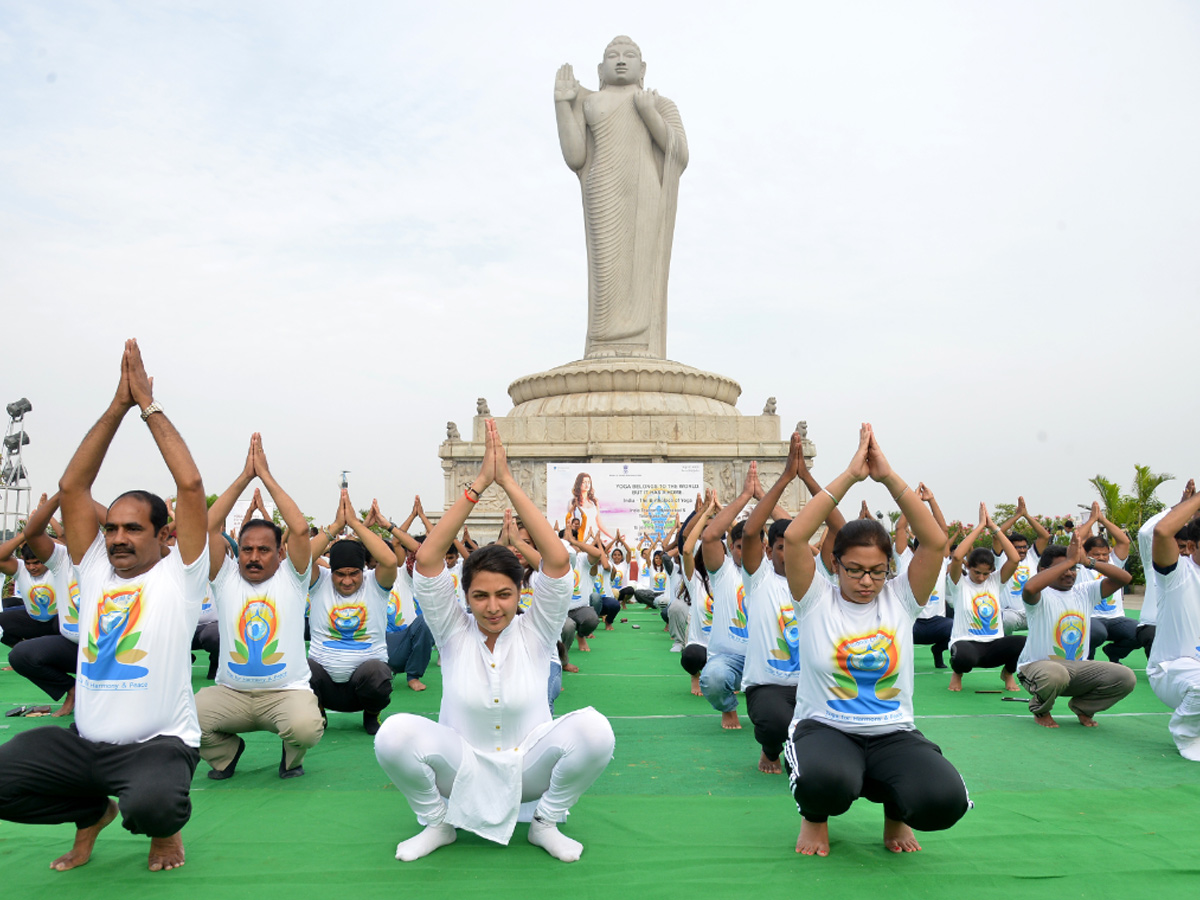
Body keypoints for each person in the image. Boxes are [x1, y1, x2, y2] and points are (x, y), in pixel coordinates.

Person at [0, 340, 208, 872]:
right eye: (110, 527)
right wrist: (116, 406)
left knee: (153, 803)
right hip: (85, 744)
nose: (117, 538)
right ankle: (93, 812)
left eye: (132, 529)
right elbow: (74, 484)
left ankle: (164, 835)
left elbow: (190, 484)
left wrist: (148, 407)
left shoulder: (178, 577)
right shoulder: (92, 569)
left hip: (157, 746)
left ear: (163, 536)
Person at [374, 420, 614, 862]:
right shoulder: (451, 631)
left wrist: (508, 483)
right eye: (480, 595)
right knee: (392, 735)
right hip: (460, 768)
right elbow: (426, 560)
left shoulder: (537, 630)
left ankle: (546, 821)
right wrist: (479, 484)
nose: (492, 606)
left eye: (504, 594)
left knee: (596, 731)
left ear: (521, 593)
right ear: (464, 596)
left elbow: (559, 561)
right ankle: (438, 822)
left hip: (529, 769)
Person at [782, 424, 968, 857]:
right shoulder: (814, 600)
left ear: (890, 567)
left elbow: (937, 541)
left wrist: (887, 476)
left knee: (944, 801)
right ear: (835, 564)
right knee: (828, 781)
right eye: (854, 570)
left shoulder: (901, 600)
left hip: (892, 733)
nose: (867, 581)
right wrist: (850, 474)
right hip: (825, 729)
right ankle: (815, 816)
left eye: (877, 570)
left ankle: (895, 811)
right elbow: (794, 536)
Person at [196, 434, 325, 780]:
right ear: (237, 550)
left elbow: (298, 529)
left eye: (263, 550)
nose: (253, 557)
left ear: (279, 553)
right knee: (186, 720)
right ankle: (225, 754)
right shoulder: (224, 578)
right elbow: (207, 525)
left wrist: (265, 476)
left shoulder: (292, 579)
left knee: (306, 727)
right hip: (231, 695)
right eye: (247, 549)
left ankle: (291, 756)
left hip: (285, 695)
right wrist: (244, 477)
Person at [554, 37, 687, 359]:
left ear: (643, 68)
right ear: (601, 68)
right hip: (602, 186)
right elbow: (576, 157)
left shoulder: (659, 103)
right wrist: (562, 104)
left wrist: (648, 112)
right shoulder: (589, 102)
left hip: (644, 190)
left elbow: (678, 153)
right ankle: (604, 339)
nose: (621, 60)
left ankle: (642, 340)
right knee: (606, 268)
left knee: (640, 263)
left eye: (630, 56)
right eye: (613, 56)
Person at [1016, 532, 1136, 728]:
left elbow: (1124, 578)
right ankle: (1041, 709)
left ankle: (1083, 707)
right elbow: (1029, 588)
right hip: (1038, 668)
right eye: (1062, 568)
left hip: (1077, 670)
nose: (1069, 572)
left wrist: (1087, 561)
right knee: (1056, 673)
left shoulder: (1085, 591)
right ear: (1043, 570)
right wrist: (1070, 560)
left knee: (1125, 677)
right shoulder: (1040, 595)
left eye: (1073, 568)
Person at [306, 490, 398, 735]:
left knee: (378, 672)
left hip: (364, 687)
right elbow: (301, 559)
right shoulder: (319, 582)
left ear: (363, 570)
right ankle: (317, 713)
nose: (347, 581)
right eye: (340, 574)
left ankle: (372, 714)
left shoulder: (375, 585)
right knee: (301, 668)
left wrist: (355, 524)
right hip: (323, 684)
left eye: (353, 573)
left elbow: (389, 561)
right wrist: (336, 526)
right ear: (331, 571)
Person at [741, 434, 804, 775]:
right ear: (770, 551)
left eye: (794, 545)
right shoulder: (761, 579)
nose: (788, 552)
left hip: (810, 682)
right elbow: (751, 533)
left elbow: (835, 528)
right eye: (781, 546)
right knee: (777, 724)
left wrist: (804, 477)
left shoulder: (815, 581)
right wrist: (780, 482)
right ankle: (769, 749)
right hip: (768, 685)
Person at [4, 493, 81, 716]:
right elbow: (40, 537)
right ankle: (71, 689)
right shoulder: (59, 563)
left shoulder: (109, 561)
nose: (33, 566)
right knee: (20, 654)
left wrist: (72, 490)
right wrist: (57, 499)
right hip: (66, 638)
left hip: (106, 647)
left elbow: (64, 537)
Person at [699, 464, 758, 730]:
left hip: (768, 656)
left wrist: (764, 494)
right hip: (729, 658)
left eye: (752, 545)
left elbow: (792, 532)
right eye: (738, 546)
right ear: (730, 548)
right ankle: (728, 707)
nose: (744, 551)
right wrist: (745, 497)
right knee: (712, 679)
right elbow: (710, 536)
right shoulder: (723, 572)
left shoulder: (774, 572)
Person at [945, 504, 1025, 692]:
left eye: (985, 574)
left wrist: (994, 528)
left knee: (1023, 643)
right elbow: (957, 557)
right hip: (967, 644)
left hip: (994, 644)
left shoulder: (995, 582)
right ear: (969, 567)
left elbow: (1014, 559)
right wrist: (980, 526)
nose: (981, 578)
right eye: (977, 572)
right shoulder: (959, 584)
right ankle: (958, 673)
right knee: (962, 656)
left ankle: (1008, 673)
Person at [1148, 478, 1200, 759]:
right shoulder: (1178, 575)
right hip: (1170, 670)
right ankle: (1189, 738)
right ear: (1191, 546)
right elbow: (1162, 531)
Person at [370, 499, 435, 692]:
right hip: (376, 644)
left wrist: (418, 517)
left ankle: (413, 676)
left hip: (404, 642)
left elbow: (420, 548)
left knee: (426, 620)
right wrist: (362, 525)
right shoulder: (366, 578)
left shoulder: (405, 575)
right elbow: (350, 546)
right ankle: (381, 671)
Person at [893, 485, 953, 669]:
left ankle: (938, 651)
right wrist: (913, 500)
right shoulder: (904, 559)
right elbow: (900, 528)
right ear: (916, 548)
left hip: (937, 623)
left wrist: (932, 500)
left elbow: (943, 530)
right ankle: (899, 662)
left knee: (957, 626)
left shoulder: (940, 560)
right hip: (911, 621)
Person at [1075, 503, 1140, 662]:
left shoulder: (1114, 563)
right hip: (1091, 618)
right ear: (1086, 553)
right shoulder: (1081, 565)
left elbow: (1123, 542)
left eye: (1104, 554)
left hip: (1116, 618)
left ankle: (1114, 652)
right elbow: (1075, 540)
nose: (1102, 558)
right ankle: (1087, 661)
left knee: (1140, 632)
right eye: (1096, 554)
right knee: (1096, 633)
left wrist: (1102, 520)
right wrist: (1091, 521)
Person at [0, 493, 65, 649]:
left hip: (58, 623)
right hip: (33, 621)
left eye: (36, 563)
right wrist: (26, 534)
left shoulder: (57, 567)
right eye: (28, 563)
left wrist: (45, 514)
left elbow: (62, 538)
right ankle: (22, 649)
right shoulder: (21, 569)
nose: (32, 567)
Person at [995, 497, 1052, 634]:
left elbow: (1044, 536)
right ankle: (1006, 648)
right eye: (1017, 548)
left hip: (1032, 611)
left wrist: (1026, 515)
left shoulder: (1032, 556)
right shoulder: (1002, 557)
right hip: (1010, 614)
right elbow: (997, 535)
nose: (1021, 550)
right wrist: (1016, 516)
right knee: (1005, 620)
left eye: (1024, 547)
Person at [565, 472, 611, 540]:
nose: (587, 485)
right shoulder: (573, 502)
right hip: (580, 537)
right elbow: (571, 523)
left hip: (593, 536)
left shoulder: (594, 502)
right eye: (584, 482)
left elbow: (600, 524)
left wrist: (613, 538)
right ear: (579, 484)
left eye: (589, 482)